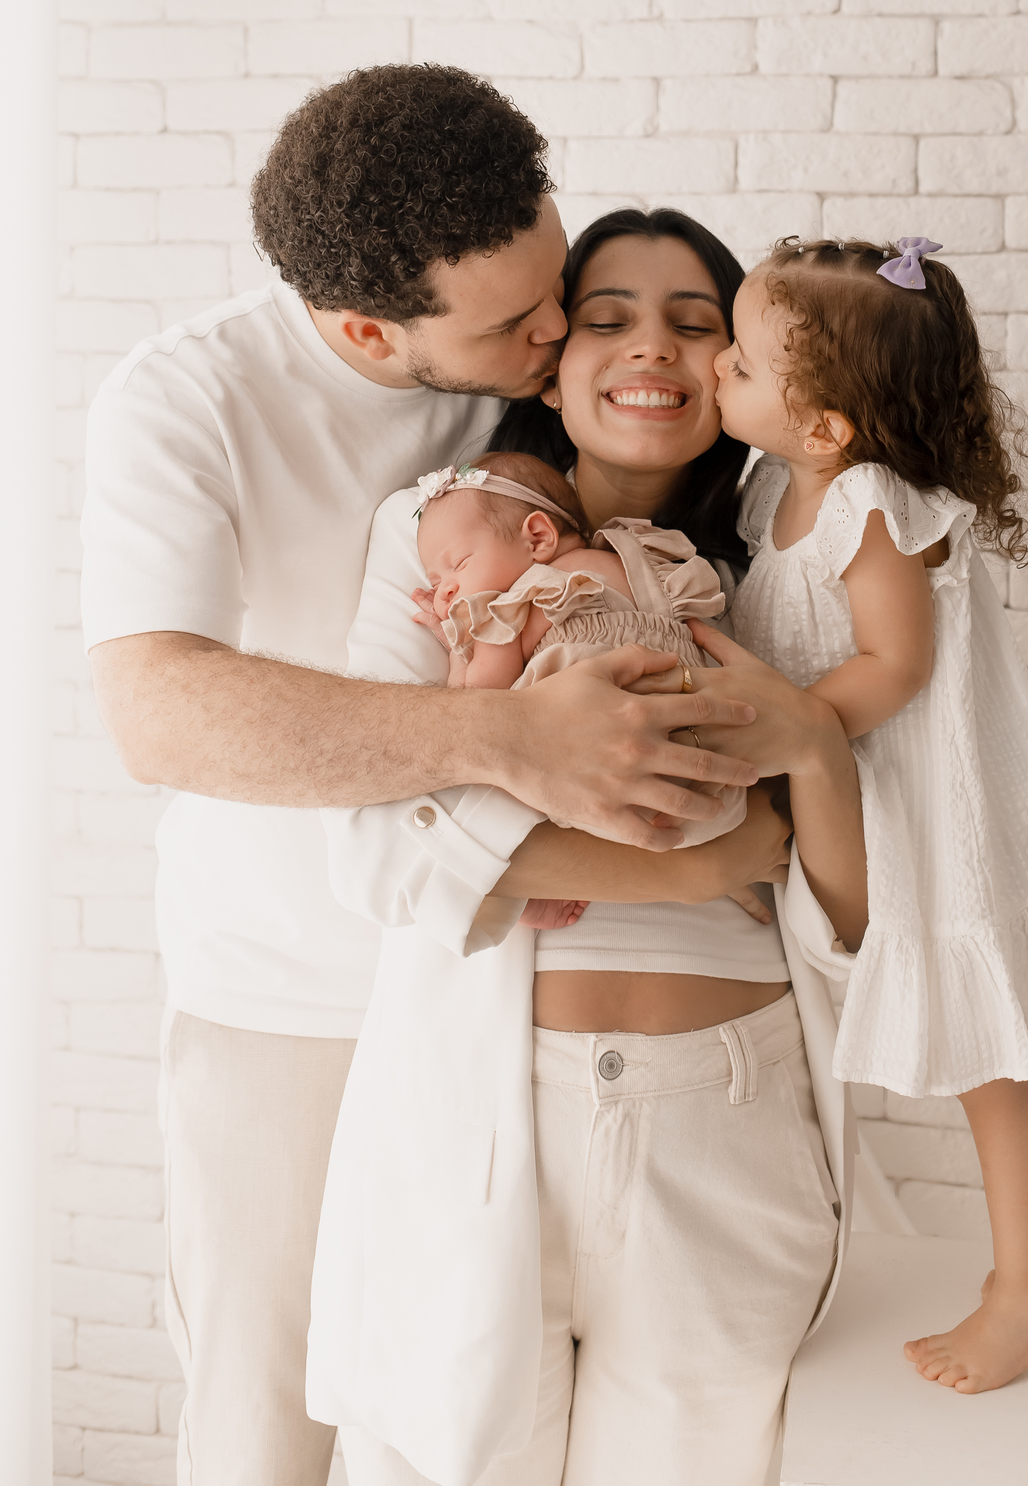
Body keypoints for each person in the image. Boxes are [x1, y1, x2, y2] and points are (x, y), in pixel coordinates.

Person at [80, 71, 762, 1486]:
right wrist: (512, 739)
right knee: (268, 1427)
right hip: (286, 1000)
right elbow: (159, 716)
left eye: (555, 285)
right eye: (516, 325)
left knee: (464, 1432)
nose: (555, 334)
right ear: (365, 331)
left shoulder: (533, 372)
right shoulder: (191, 399)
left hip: (499, 1001)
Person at [308, 208, 870, 1486]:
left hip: (726, 1120)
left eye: (695, 323)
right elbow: (378, 848)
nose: (650, 349)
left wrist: (821, 760)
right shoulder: (445, 530)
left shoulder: (788, 563)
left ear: (743, 369)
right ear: (551, 364)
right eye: (606, 318)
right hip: (479, 1110)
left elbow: (854, 920)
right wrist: (699, 865)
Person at [713, 233, 1028, 1396]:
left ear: (825, 427)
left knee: (987, 1050)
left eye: (742, 363)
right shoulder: (779, 485)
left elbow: (896, 664)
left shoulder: (864, 502)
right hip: (925, 791)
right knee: (1022, 1009)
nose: (715, 365)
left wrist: (793, 728)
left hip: (932, 806)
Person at [413, 448, 748, 859]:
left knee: (496, 778)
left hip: (609, 781)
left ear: (538, 538)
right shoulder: (634, 559)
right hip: (716, 774)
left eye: (459, 564)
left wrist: (458, 649)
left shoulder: (506, 609)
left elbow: (477, 704)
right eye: (436, 582)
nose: (445, 591)